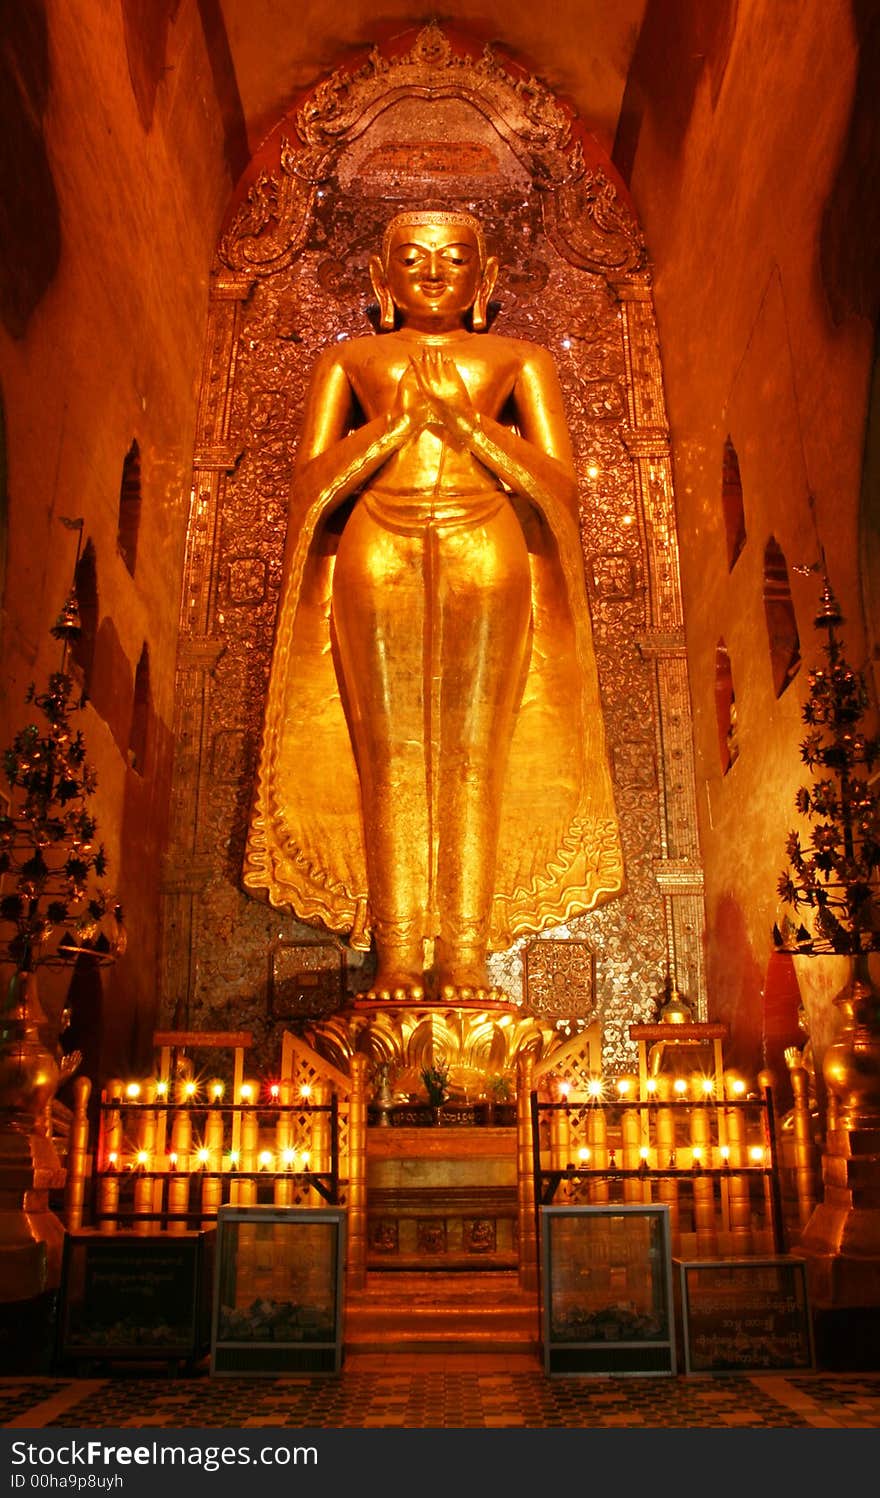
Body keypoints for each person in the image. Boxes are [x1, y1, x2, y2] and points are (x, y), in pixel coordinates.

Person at [244, 208, 623, 1002]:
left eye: (454, 259)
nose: (432, 273)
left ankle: (464, 959)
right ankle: (396, 960)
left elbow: (559, 483)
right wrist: (394, 429)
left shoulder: (518, 359)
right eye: (411, 259)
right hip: (377, 543)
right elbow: (309, 484)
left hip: (486, 544)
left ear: (484, 280)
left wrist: (469, 428)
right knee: (386, 753)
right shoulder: (351, 359)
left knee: (475, 753)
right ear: (382, 281)